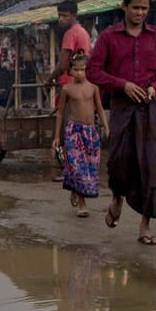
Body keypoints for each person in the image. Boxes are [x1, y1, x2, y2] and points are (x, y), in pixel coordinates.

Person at [87, 0, 156, 246]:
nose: (139, 13)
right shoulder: (108, 37)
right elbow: (94, 71)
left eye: (144, 9)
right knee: (118, 160)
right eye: (135, 7)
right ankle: (117, 197)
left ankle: (145, 226)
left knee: (150, 165)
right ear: (124, 6)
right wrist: (122, 84)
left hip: (149, 108)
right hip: (121, 107)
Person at [52, 52, 106, 217]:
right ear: (71, 71)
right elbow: (60, 113)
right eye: (76, 70)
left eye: (83, 69)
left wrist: (107, 127)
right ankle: (82, 203)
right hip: (74, 131)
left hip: (90, 131)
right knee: (77, 166)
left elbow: (100, 109)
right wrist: (57, 136)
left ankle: (75, 190)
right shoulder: (67, 90)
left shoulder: (93, 88)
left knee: (91, 166)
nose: (80, 73)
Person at [49, 0, 93, 181]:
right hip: (83, 85)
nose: (61, 19)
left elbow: (63, 64)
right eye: (59, 15)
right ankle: (80, 168)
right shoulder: (84, 33)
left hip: (69, 85)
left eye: (64, 15)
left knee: (68, 128)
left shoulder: (70, 34)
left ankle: (70, 169)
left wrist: (49, 78)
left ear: (74, 15)